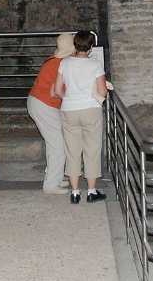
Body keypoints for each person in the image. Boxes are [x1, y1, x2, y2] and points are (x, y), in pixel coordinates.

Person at [54, 30, 108, 204]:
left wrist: (70, 99)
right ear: (91, 46)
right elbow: (102, 92)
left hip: (69, 110)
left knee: (72, 151)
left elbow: (57, 90)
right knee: (92, 150)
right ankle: (91, 191)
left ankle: (75, 193)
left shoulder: (65, 63)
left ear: (75, 45)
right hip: (90, 109)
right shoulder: (95, 65)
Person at [27, 33, 76, 194]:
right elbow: (54, 92)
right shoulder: (60, 64)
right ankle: (51, 185)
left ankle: (56, 177)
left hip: (40, 102)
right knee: (58, 145)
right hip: (44, 105)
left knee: (55, 142)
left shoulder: (54, 60)